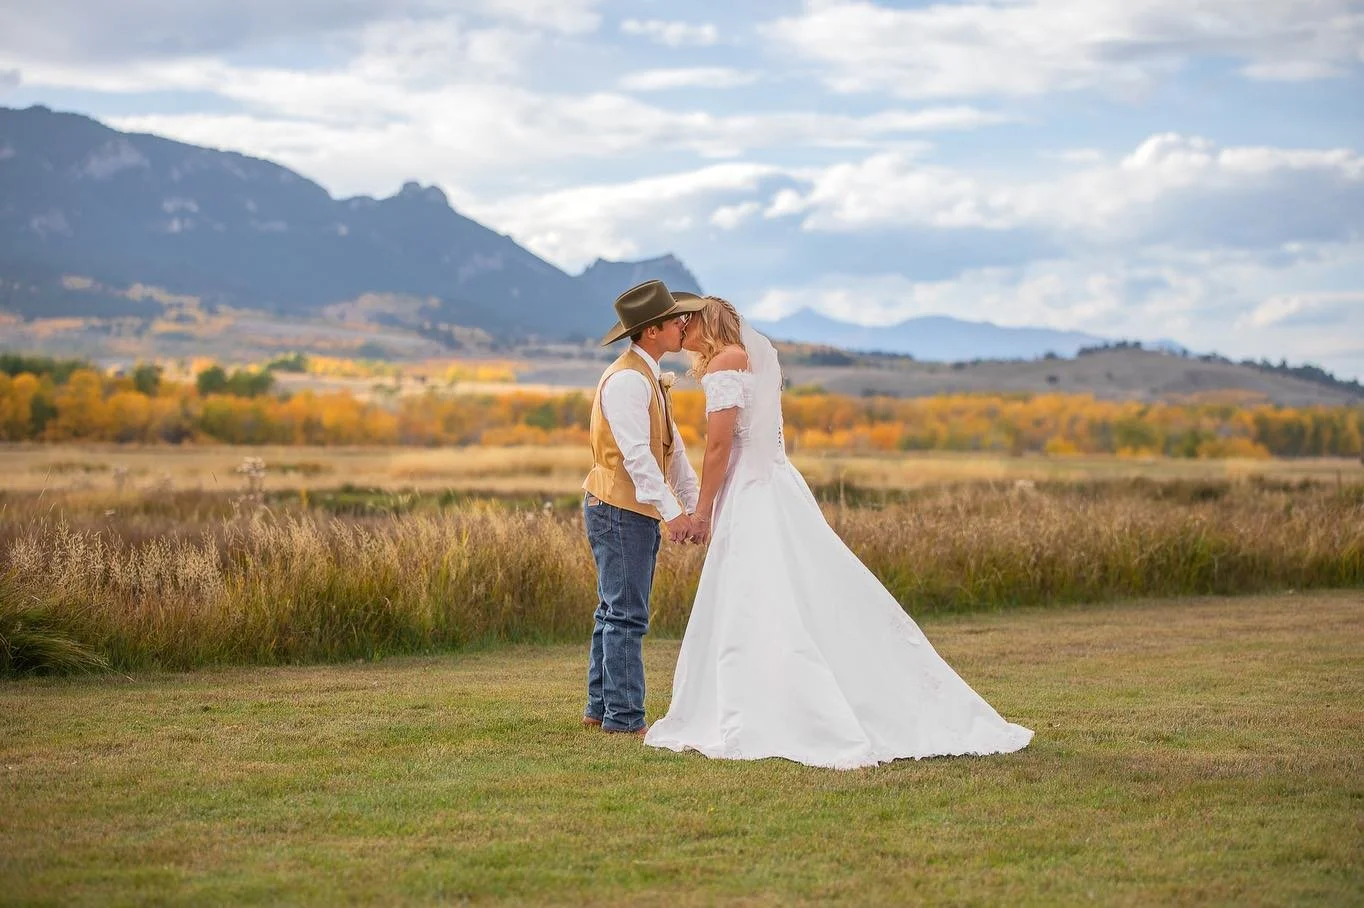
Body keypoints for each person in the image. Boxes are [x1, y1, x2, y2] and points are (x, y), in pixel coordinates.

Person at [643, 296, 1033, 768]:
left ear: (706, 323)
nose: (679, 328)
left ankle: (777, 706)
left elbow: (720, 445)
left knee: (757, 594)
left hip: (750, 490)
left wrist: (702, 510)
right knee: (782, 593)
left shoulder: (726, 361)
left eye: (686, 320)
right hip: (771, 483)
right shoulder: (748, 358)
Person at [581, 280, 707, 736]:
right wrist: (674, 516)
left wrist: (695, 512)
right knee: (625, 614)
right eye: (676, 320)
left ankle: (600, 709)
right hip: (617, 509)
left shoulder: (649, 377)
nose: (683, 325)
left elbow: (674, 456)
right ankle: (625, 719)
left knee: (613, 610)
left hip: (626, 510)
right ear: (652, 330)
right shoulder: (629, 380)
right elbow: (638, 457)